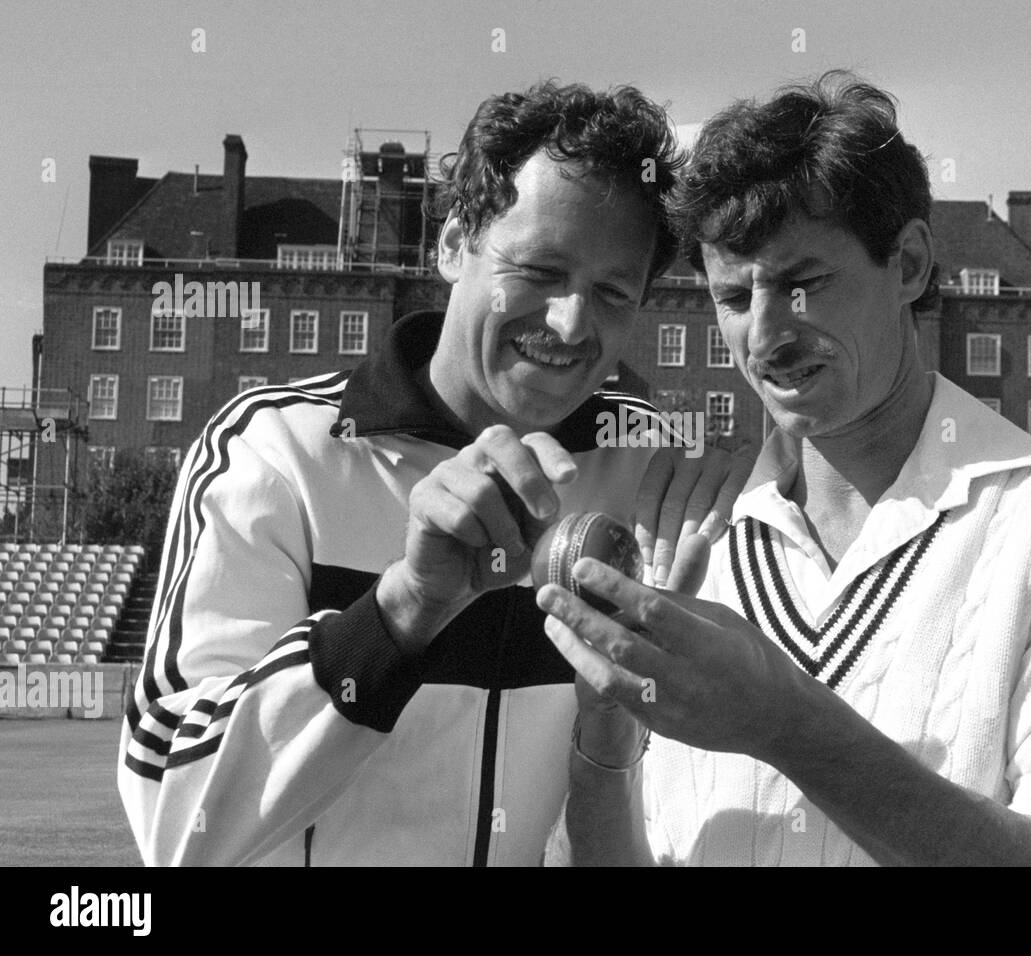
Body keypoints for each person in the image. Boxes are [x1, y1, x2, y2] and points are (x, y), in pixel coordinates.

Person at [538, 72, 1031, 866]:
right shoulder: (689, 526)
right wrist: (604, 737)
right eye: (735, 298)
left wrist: (786, 725)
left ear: (909, 264)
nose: (766, 334)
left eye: (803, 285)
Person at [118, 80, 745, 866]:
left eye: (613, 292)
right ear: (452, 244)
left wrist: (764, 462)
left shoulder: (660, 475)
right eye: (541, 269)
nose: (571, 321)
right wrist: (400, 612)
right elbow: (178, 820)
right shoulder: (276, 453)